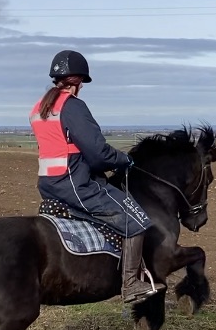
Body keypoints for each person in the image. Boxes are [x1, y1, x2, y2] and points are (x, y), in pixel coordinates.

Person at [30, 50, 164, 303]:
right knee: (135, 221)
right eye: (81, 82)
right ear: (78, 81)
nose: (81, 87)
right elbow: (98, 153)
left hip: (49, 185)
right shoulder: (72, 106)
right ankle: (131, 284)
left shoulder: (40, 108)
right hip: (77, 185)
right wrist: (123, 160)